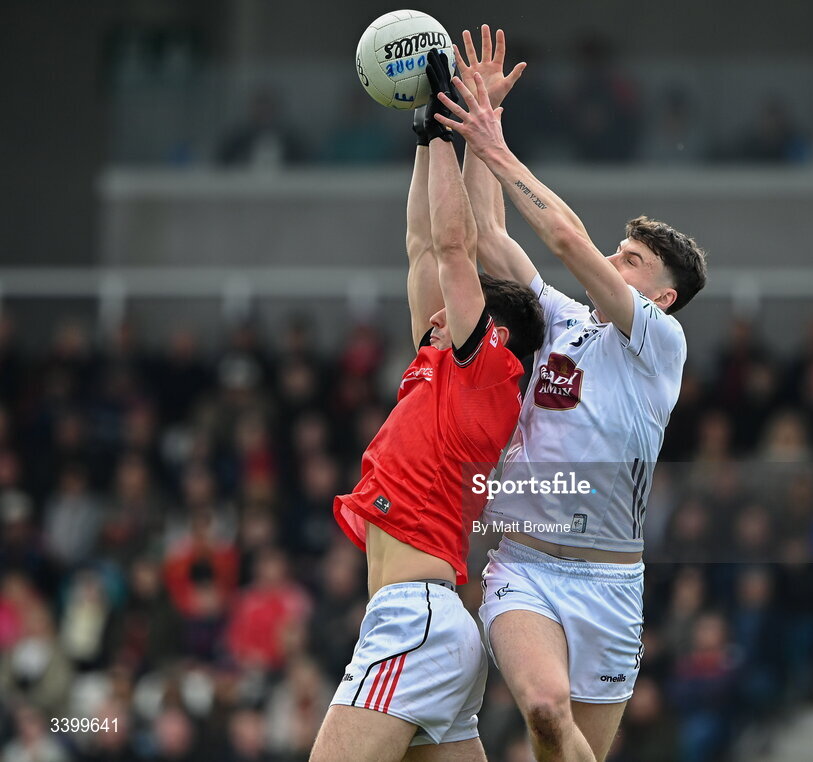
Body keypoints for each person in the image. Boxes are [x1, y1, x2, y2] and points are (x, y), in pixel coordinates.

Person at [437, 26, 708, 761]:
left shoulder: (658, 344)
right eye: (617, 250)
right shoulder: (560, 316)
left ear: (665, 295)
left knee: (573, 750)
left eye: (632, 259)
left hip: (614, 584)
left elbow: (565, 240)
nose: (613, 261)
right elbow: (489, 231)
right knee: (545, 710)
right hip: (524, 564)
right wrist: (477, 124)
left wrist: (497, 144)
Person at [308, 50, 544, 762]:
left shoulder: (486, 376)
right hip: (432, 625)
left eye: (456, 308)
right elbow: (424, 246)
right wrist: (451, 127)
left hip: (413, 621)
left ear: (489, 330)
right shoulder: (444, 369)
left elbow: (454, 245)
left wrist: (434, 135)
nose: (434, 315)